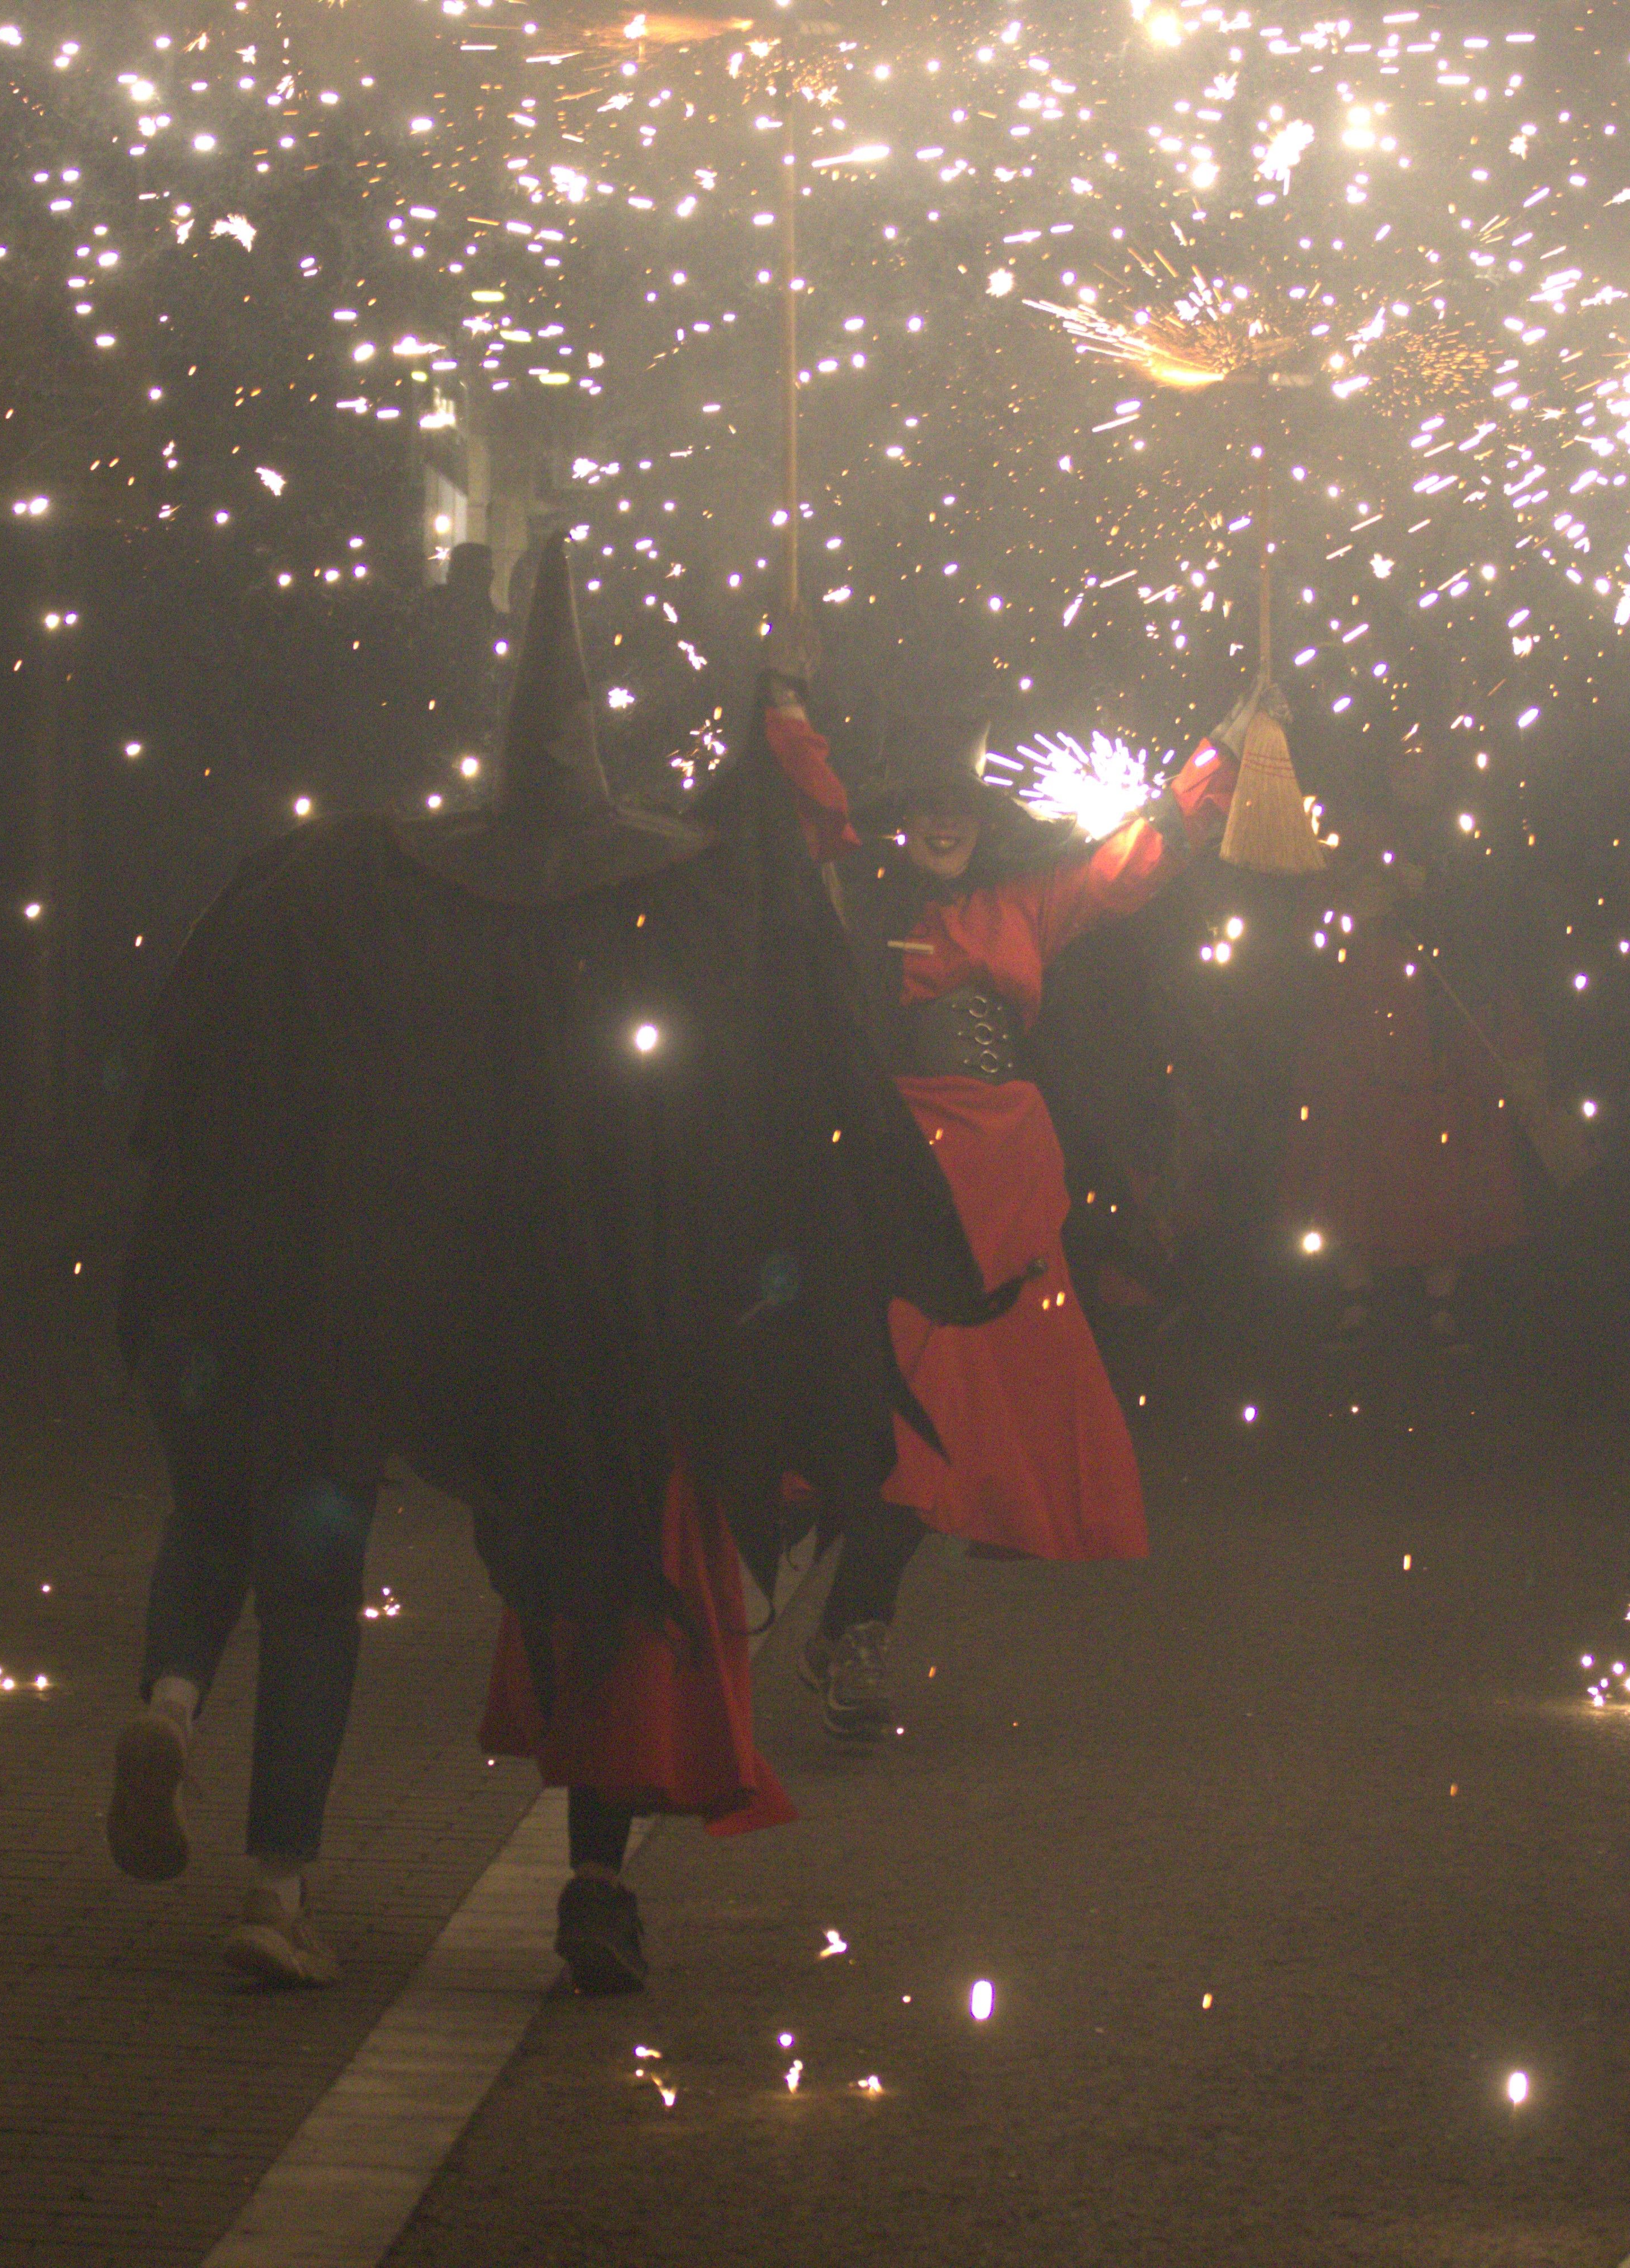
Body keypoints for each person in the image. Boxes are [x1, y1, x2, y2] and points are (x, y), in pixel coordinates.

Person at [105, 540, 988, 1994]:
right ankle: (582, 1880)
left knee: (294, 1542)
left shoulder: (374, 910)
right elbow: (775, 968)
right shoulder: (675, 920)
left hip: (401, 1281)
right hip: (602, 1300)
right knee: (606, 1570)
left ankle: (215, 1763)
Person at [764, 672, 1231, 1739]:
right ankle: (846, 1620)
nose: (944, 825)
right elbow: (783, 826)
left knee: (953, 1431)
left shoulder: (1022, 901)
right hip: (884, 1177)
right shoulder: (843, 898)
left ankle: (853, 1628)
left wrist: (1227, 751)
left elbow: (1135, 862)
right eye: (926, 808)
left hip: (997, 1192)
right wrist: (788, 715)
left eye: (961, 810)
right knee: (902, 1429)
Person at [1280, 737, 1543, 1347]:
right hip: (1360, 1015)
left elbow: (1487, 917)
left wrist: (1425, 894)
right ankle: (1357, 1289)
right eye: (1402, 763)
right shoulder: (1351, 830)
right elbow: (1313, 917)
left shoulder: (1462, 834)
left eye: (1424, 763)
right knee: (1357, 1137)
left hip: (1434, 1017)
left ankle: (1441, 1295)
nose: (1413, 773)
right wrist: (1352, 903)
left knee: (1438, 1141)